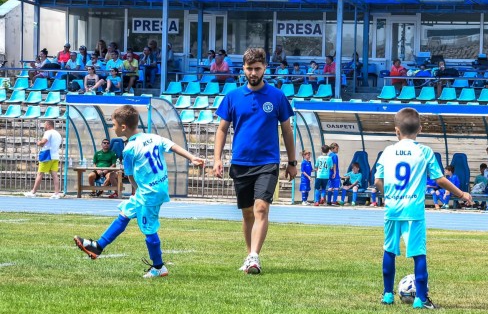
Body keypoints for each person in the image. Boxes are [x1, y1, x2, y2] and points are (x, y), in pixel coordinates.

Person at [73, 105, 204, 277]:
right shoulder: (152, 137)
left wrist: (136, 190)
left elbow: (131, 176)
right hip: (157, 187)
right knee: (125, 213)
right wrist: (192, 157)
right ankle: (98, 247)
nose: (113, 128)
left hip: (148, 192)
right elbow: (172, 146)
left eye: (113, 124)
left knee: (149, 228)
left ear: (123, 127)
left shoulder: (129, 150)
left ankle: (159, 267)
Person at [213, 47, 298, 275]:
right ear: (243, 69)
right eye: (249, 68)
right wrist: (217, 158)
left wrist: (292, 161)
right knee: (247, 212)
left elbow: (287, 131)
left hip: (267, 162)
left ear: (264, 69)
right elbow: (222, 130)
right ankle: (249, 254)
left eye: (257, 68)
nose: (253, 73)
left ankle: (254, 257)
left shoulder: (277, 97)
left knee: (261, 208)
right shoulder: (232, 96)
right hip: (240, 162)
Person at [377, 107, 472, 308]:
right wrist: (462, 194)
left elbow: (378, 180)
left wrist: (387, 196)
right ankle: (420, 299)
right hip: (414, 210)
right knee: (418, 253)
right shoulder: (425, 151)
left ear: (396, 131)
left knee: (389, 250)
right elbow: (440, 180)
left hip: (392, 208)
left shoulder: (387, 151)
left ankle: (387, 294)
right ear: (420, 129)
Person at [24, 120, 64, 199]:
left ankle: (33, 192)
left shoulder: (48, 132)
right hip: (55, 156)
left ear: (49, 125)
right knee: (55, 175)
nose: (44, 127)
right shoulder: (58, 134)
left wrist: (38, 142)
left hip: (47, 156)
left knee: (40, 174)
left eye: (45, 125)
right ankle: (57, 193)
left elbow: (43, 142)